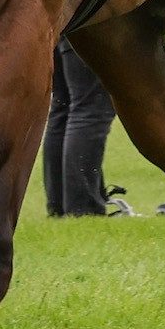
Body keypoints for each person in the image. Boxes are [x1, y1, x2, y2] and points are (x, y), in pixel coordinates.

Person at [42, 42, 122, 217]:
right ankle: (84, 209)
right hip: (86, 23)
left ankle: (59, 206)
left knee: (63, 106)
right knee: (91, 107)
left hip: (58, 25)